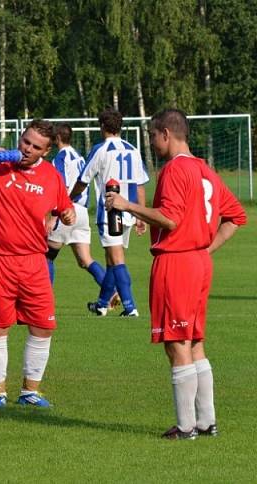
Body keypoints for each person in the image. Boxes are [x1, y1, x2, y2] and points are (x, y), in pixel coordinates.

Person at [105, 109, 246, 439]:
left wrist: (127, 206)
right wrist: (205, 250)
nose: (152, 143)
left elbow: (169, 219)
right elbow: (236, 217)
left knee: (176, 342)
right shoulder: (205, 170)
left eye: (153, 136)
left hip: (177, 262)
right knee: (194, 341)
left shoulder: (174, 170)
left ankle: (186, 427)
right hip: (198, 262)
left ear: (166, 134)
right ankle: (206, 421)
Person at [0, 120, 76, 409]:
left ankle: (30, 391)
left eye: (35, 147)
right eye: (25, 141)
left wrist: (67, 215)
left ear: (46, 151)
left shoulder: (51, 175)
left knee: (43, 326)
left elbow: (63, 207)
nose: (27, 149)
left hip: (35, 261)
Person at [70, 108, 148, 317]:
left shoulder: (101, 150)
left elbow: (83, 180)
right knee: (111, 258)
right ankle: (103, 304)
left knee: (117, 258)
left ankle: (130, 307)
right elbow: (140, 185)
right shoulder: (133, 149)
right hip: (130, 211)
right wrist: (141, 216)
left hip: (112, 212)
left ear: (102, 126)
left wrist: (68, 198)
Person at [46, 124, 113, 300]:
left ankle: (43, 301)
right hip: (82, 213)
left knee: (47, 255)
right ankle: (112, 291)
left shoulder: (60, 158)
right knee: (85, 260)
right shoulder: (79, 157)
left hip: (67, 210)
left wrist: (54, 216)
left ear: (58, 138)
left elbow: (62, 187)